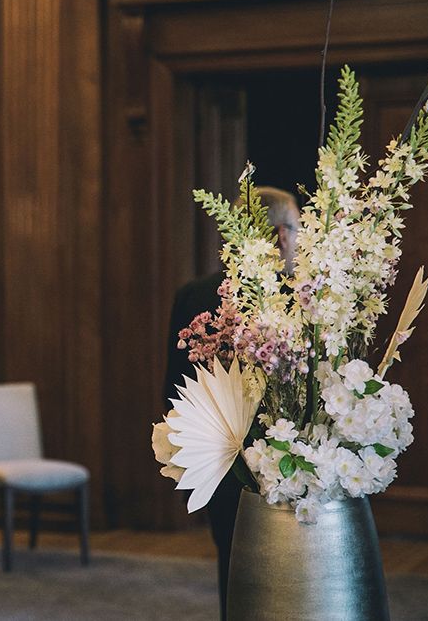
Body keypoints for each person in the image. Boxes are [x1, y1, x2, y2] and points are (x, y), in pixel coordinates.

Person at [163, 186, 300, 621]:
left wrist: (187, 457)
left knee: (232, 565)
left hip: (217, 460)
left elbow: (176, 387)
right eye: (299, 231)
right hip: (290, 461)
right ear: (282, 235)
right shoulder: (297, 298)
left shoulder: (193, 294)